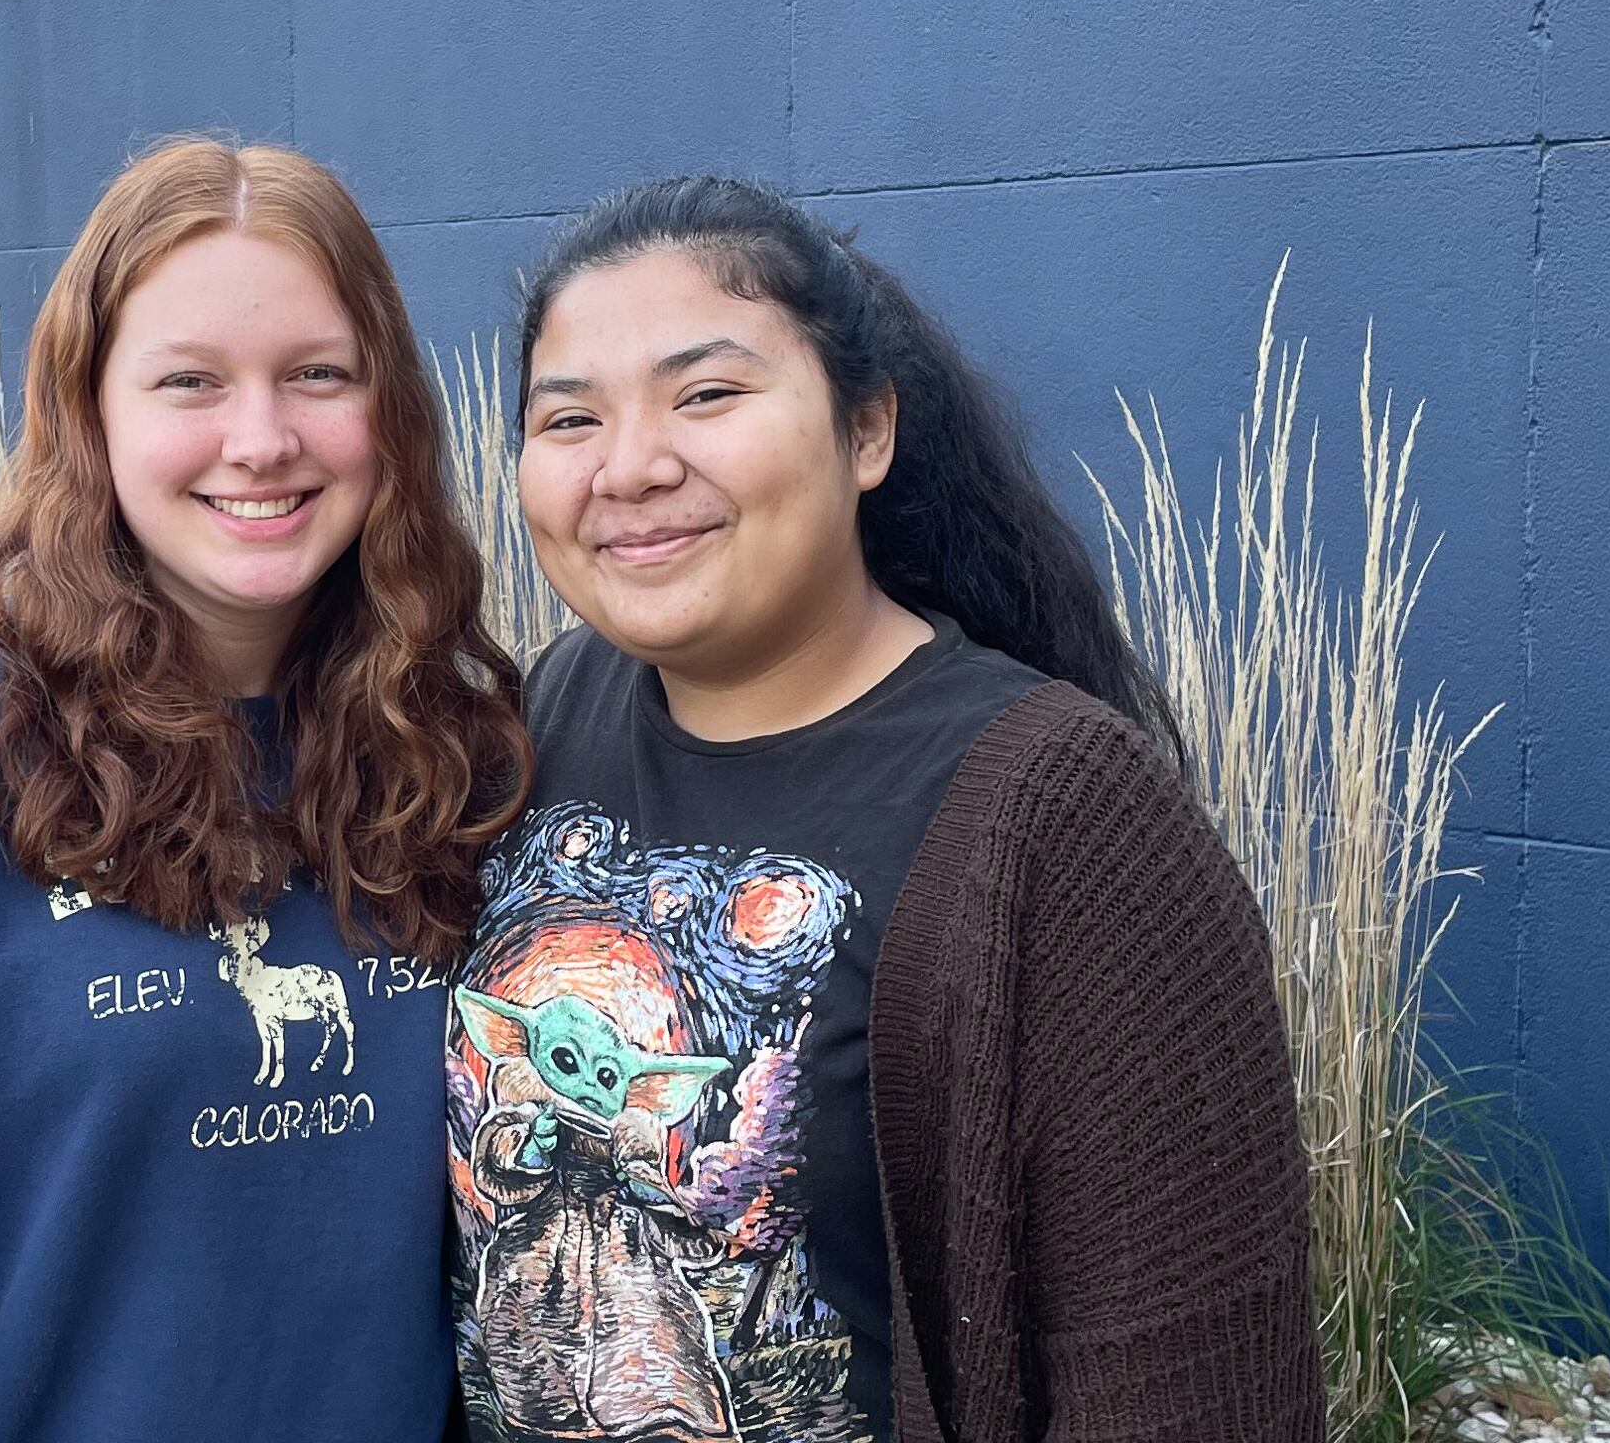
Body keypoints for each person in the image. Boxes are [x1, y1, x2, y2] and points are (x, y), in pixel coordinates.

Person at [0, 139, 531, 1442]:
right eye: (190, 380)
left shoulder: (450, 758)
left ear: (389, 414)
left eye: (318, 374)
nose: (261, 439)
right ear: (93, 413)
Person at [449, 177, 1321, 1443]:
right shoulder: (554, 715)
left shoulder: (1065, 821)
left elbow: (1189, 1381)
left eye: (707, 394)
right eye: (569, 416)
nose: (630, 466)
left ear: (868, 430)